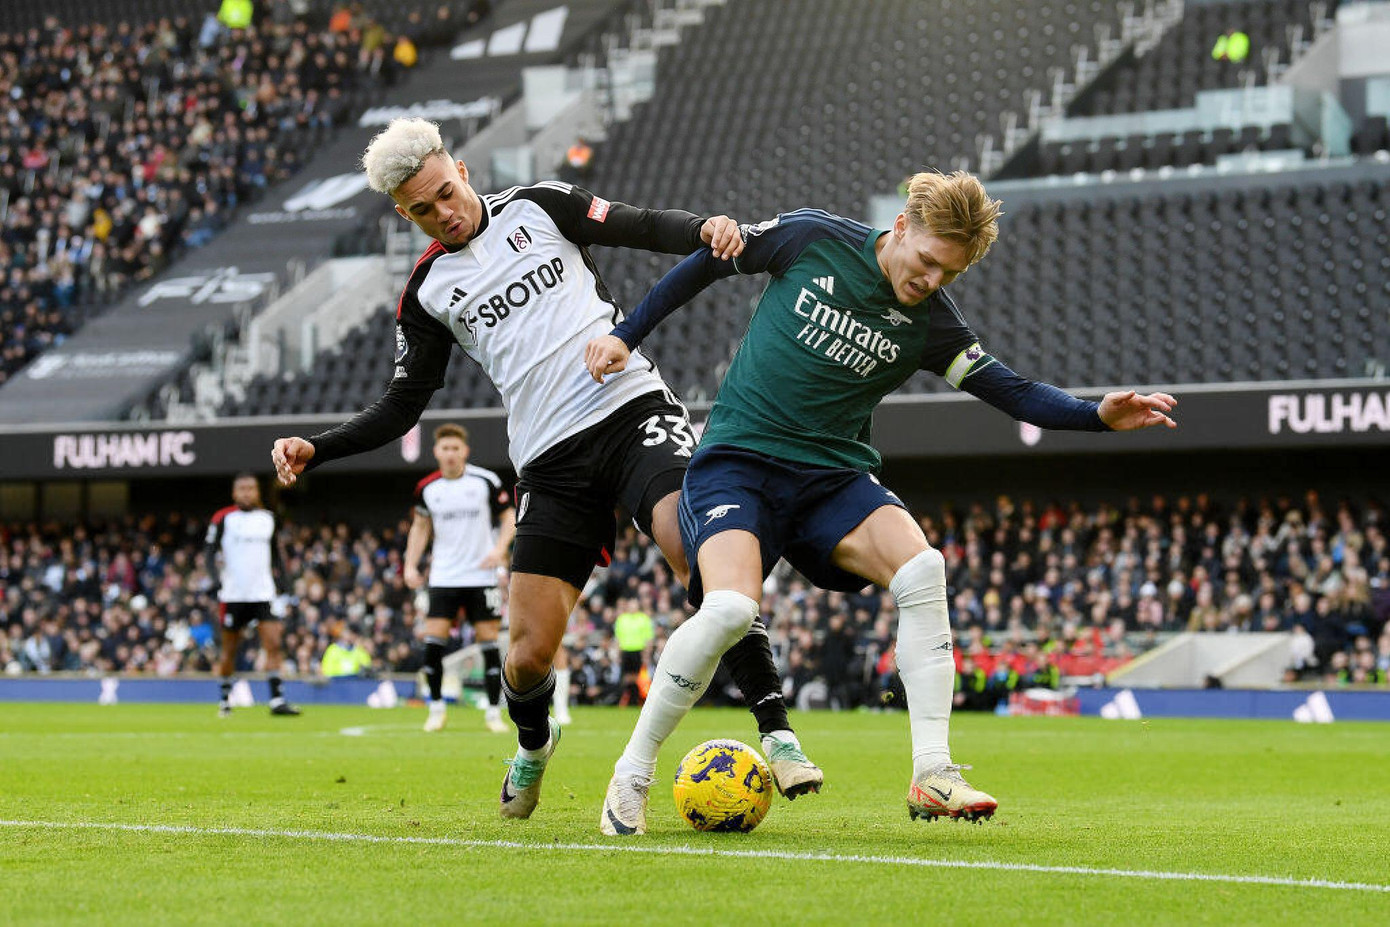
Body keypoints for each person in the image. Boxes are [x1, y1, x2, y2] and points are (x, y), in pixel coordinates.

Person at [585, 170, 1178, 834]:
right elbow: (708, 262)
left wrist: (1097, 413)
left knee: (923, 569)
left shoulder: (932, 324)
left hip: (831, 477)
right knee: (729, 606)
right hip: (738, 464)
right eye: (926, 261)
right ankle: (631, 774)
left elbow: (1014, 391)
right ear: (901, 228)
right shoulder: (812, 238)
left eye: (946, 274)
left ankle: (933, 773)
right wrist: (626, 334)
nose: (929, 280)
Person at [269, 118, 821, 822]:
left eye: (445, 192)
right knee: (526, 658)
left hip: (630, 410)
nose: (444, 212)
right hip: (550, 460)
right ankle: (533, 743)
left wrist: (704, 228)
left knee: (701, 553)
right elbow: (403, 405)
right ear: (403, 216)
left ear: (461, 170)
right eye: (422, 211)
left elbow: (640, 224)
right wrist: (320, 445)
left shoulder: (538, 205)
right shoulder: (428, 291)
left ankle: (776, 729)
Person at [404, 422, 516, 733]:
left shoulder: (485, 481)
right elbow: (420, 528)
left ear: (465, 451)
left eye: (456, 448)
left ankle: (494, 713)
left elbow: (510, 518)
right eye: (445, 448)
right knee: (433, 644)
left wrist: (499, 549)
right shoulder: (428, 489)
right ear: (436, 452)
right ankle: (437, 709)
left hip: (481, 575)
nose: (451, 454)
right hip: (444, 576)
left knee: (489, 645)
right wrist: (410, 565)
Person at [206, 473, 301, 717]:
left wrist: (285, 583)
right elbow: (209, 552)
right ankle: (225, 700)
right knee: (229, 649)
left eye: (251, 488)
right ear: (234, 493)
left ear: (257, 492)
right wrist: (216, 580)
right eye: (242, 489)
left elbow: (275, 554)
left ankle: (276, 700)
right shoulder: (223, 519)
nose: (247, 493)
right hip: (234, 594)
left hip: (262, 592)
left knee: (273, 644)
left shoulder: (268, 519)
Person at [613, 597, 654, 706]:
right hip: (625, 651)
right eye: (630, 605)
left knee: (637, 676)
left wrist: (646, 655)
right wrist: (617, 654)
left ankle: (636, 699)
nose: (632, 607)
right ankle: (625, 698)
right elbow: (617, 638)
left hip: (638, 651)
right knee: (625, 676)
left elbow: (649, 639)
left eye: (634, 605)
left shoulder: (644, 619)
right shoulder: (621, 619)